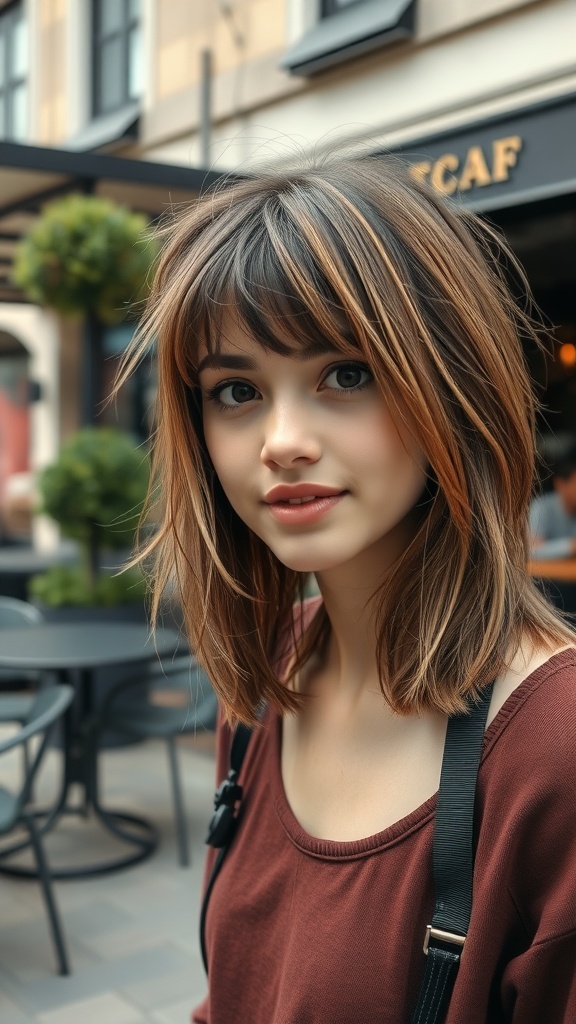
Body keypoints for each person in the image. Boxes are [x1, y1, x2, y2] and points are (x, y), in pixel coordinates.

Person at [120, 156, 576, 1023]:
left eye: (347, 373)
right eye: (237, 390)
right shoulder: (269, 672)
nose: (282, 440)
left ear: (451, 383)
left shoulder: (555, 749)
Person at [529, 447, 576, 560]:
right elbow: (531, 551)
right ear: (560, 485)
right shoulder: (541, 508)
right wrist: (570, 547)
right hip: (544, 576)